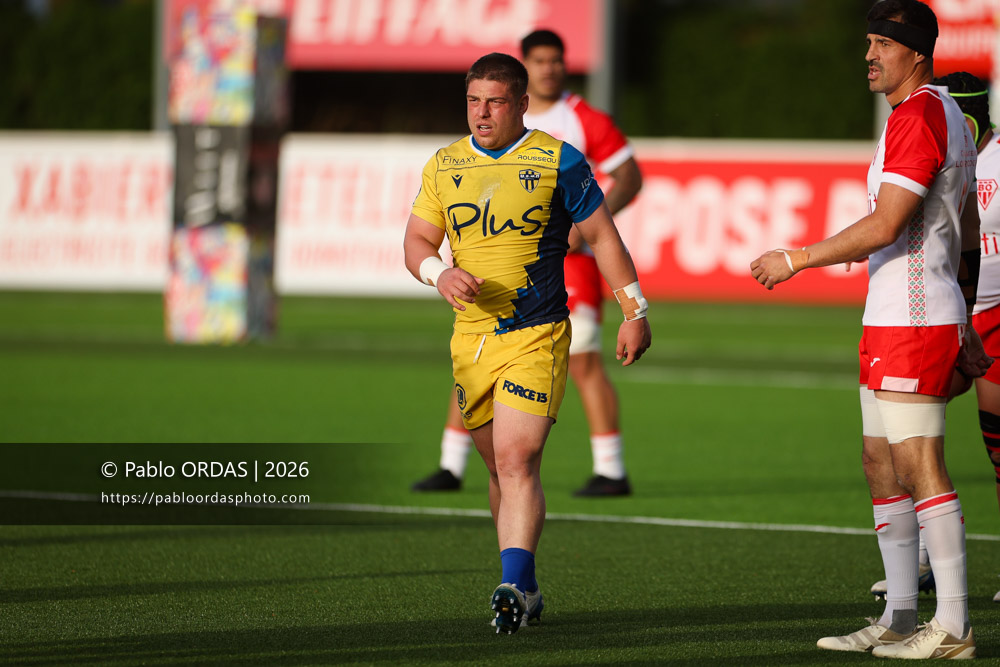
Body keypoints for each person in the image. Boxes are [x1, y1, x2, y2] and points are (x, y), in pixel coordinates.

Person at [750, 0, 991, 658]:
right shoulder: (942, 116)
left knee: (919, 465)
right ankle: (901, 617)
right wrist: (967, 313)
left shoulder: (919, 117)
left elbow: (886, 225)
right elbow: (966, 232)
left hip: (913, 318)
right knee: (881, 464)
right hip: (896, 316)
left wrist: (795, 258)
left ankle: (954, 625)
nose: (868, 54)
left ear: (916, 51)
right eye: (866, 42)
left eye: (881, 43)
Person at [402, 53, 651, 634]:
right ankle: (527, 588)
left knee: (517, 460)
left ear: (520, 104)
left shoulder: (558, 161)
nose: (481, 113)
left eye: (493, 101)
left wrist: (633, 309)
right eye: (472, 101)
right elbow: (416, 238)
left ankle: (512, 582)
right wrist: (437, 272)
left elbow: (603, 236)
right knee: (497, 471)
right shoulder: (444, 165)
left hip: (537, 333)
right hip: (472, 343)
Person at [411, 29, 644, 497]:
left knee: (583, 365)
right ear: (526, 67)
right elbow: (416, 239)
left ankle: (611, 467)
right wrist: (440, 272)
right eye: (539, 60)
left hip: (564, 271)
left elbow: (628, 179)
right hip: (486, 286)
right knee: (480, 361)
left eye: (556, 60)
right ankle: (452, 463)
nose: (549, 69)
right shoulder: (458, 154)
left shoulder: (582, 123)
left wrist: (582, 232)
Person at [869, 71, 1000, 605]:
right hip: (955, 310)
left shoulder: (973, 147)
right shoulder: (940, 140)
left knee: (993, 445)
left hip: (976, 311)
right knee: (897, 448)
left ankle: (949, 617)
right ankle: (920, 567)